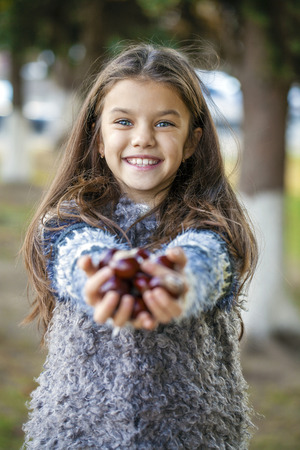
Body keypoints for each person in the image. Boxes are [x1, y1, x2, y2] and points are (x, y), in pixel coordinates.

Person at [22, 44, 257, 449]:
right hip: (76, 437)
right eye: (124, 121)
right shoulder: (67, 219)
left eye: (164, 124)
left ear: (191, 142)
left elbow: (204, 260)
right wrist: (105, 276)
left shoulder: (215, 225)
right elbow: (81, 254)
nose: (143, 138)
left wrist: (176, 280)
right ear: (98, 137)